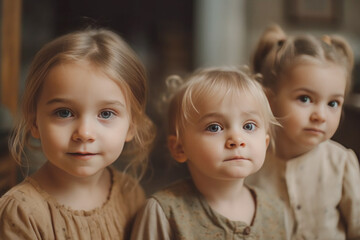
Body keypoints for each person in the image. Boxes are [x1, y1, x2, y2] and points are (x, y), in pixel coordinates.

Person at [0, 28, 155, 239]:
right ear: (34, 121)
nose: (84, 133)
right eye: (64, 113)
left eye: (106, 114)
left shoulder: (130, 194)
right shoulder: (20, 212)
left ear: (131, 126)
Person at [131, 66, 287, 239]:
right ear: (179, 148)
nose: (237, 139)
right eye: (214, 127)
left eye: (248, 126)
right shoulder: (163, 213)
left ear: (265, 143)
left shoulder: (276, 211)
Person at [246, 24, 360, 240]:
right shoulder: (248, 164)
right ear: (268, 100)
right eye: (305, 99)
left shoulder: (342, 164)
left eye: (333, 103)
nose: (321, 115)